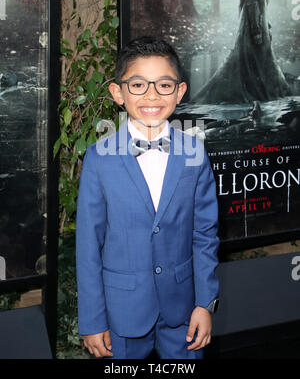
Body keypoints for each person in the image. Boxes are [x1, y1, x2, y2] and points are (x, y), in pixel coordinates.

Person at [76, 36, 219, 359]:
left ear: (180, 92)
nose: (152, 95)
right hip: (120, 313)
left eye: (164, 85)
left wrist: (205, 303)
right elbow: (88, 247)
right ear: (118, 93)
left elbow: (205, 235)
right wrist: (92, 320)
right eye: (138, 85)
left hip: (183, 310)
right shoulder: (99, 159)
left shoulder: (194, 153)